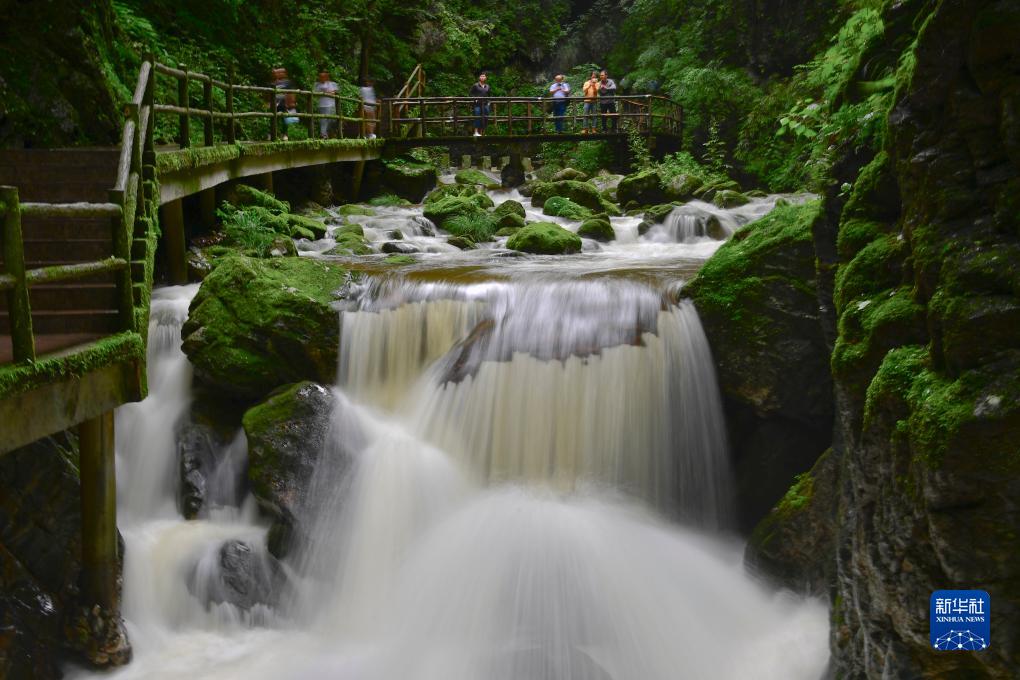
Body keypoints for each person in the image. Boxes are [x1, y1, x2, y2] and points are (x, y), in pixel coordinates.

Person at [314, 70, 338, 139]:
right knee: (323, 120)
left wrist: (325, 93)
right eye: (321, 76)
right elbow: (315, 93)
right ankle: (323, 134)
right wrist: (328, 92)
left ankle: (330, 134)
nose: (322, 78)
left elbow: (334, 93)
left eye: (324, 76)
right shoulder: (317, 84)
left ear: (327, 76)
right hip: (322, 105)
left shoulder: (333, 84)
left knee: (332, 121)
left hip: (331, 105)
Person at [271, 68, 293, 140]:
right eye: (278, 73)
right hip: (274, 102)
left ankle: (285, 134)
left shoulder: (287, 82)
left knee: (284, 119)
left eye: (281, 73)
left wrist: (290, 103)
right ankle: (273, 134)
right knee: (273, 118)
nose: (279, 74)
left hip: (283, 103)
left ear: (284, 73)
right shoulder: (274, 82)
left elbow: (290, 93)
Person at [469, 72, 491, 137]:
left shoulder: (487, 86)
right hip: (477, 104)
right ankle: (475, 132)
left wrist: (489, 102)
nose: (482, 77)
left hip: (485, 104)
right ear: (479, 77)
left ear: (486, 77)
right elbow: (470, 93)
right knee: (477, 116)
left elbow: (489, 95)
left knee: (485, 117)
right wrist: (474, 99)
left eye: (484, 76)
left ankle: (482, 132)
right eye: (481, 76)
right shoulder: (475, 85)